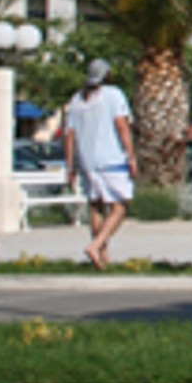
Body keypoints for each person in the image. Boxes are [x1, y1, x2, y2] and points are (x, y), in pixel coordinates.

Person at [63, 58, 139, 270]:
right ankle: (96, 245)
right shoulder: (113, 95)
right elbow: (122, 126)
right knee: (120, 204)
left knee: (96, 206)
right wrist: (131, 155)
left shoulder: (77, 99)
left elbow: (69, 135)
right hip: (111, 158)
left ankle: (103, 256)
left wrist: (70, 165)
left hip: (87, 160)